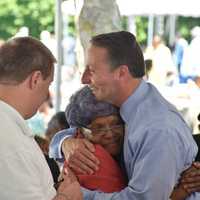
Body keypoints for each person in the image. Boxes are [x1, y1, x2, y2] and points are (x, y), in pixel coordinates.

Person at [56, 31, 200, 199]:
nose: (84, 78)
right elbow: (81, 125)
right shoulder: (129, 107)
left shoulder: (157, 129)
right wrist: (64, 143)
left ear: (121, 73)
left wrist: (78, 195)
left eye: (92, 70)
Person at [0, 36, 82, 200]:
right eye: (48, 84)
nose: (46, 95)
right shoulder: (10, 142)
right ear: (35, 79)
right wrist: (67, 196)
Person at [50, 85, 126, 193]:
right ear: (81, 132)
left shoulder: (136, 137)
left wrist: (63, 142)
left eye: (116, 124)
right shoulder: (88, 159)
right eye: (98, 128)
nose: (109, 134)